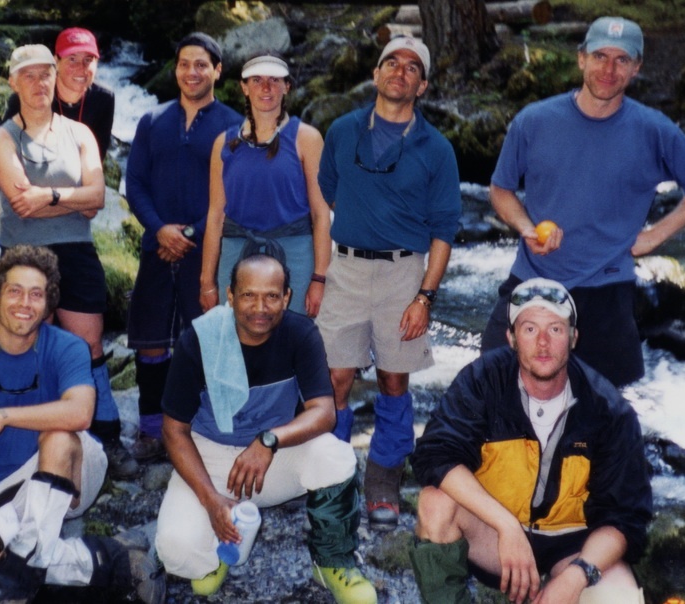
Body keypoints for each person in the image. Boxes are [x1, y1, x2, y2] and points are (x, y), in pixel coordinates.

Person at [481, 16, 685, 387]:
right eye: (600, 56)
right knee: (492, 386)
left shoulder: (653, 130)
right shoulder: (534, 121)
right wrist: (526, 227)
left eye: (621, 60)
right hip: (532, 281)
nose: (608, 70)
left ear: (636, 67)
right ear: (581, 58)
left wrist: (654, 236)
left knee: (603, 409)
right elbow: (500, 190)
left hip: (607, 292)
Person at [0, 245, 164, 604]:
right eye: (15, 291)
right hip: (6, 489)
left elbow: (80, 414)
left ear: (48, 304)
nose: (25, 303)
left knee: (56, 436)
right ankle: (113, 559)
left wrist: (2, 416)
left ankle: (16, 582)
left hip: (73, 471)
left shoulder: (68, 347)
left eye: (36, 294)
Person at [409, 278, 652, 604]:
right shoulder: (483, 381)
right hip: (494, 535)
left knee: (620, 598)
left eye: (555, 329)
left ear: (573, 338)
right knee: (434, 503)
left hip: (573, 546)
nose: (543, 342)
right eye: (529, 329)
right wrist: (506, 526)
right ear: (511, 338)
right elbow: (435, 455)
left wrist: (575, 578)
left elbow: (624, 519)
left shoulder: (609, 410)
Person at [155, 253, 376, 604]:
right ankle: (222, 549)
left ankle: (333, 563)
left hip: (272, 458)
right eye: (249, 295)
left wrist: (270, 440)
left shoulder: (301, 334)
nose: (260, 308)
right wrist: (211, 500)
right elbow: (174, 431)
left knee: (334, 456)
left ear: (286, 297)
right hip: (210, 457)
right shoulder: (199, 339)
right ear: (230, 295)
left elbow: (324, 414)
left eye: (272, 296)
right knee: (175, 549)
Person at [315, 36, 462, 531]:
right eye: (391, 62)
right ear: (376, 74)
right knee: (335, 377)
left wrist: (425, 296)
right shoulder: (342, 131)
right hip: (347, 270)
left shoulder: (437, 149)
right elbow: (330, 191)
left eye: (412, 67)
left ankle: (383, 476)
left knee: (393, 379)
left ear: (422, 86)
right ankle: (332, 473)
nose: (400, 71)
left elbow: (444, 229)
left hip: (404, 274)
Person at [0, 44, 137, 479]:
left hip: (76, 250)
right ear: (13, 82)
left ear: (55, 78)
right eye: (28, 76)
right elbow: (20, 201)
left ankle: (105, 432)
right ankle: (30, 439)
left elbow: (98, 197)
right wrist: (72, 199)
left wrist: (48, 195)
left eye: (45, 74)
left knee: (89, 344)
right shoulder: (2, 137)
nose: (39, 84)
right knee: (30, 341)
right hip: (23, 255)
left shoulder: (80, 133)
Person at [124, 32, 240, 463]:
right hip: (156, 246)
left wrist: (189, 233)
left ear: (217, 71)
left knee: (209, 338)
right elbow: (134, 182)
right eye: (184, 64)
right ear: (175, 69)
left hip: (207, 250)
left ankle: (206, 428)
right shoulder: (151, 121)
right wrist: (159, 230)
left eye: (201, 65)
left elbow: (232, 193)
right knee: (151, 340)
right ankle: (152, 429)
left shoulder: (232, 125)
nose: (192, 72)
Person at [199, 52, 330, 317]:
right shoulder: (224, 143)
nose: (266, 87)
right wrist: (207, 280)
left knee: (293, 333)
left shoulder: (307, 139)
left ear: (287, 86)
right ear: (244, 87)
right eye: (257, 80)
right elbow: (215, 215)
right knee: (236, 333)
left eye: (274, 80)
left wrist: (319, 277)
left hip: (295, 253)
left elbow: (321, 214)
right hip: (236, 253)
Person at [1, 27, 115, 162]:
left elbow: (98, 155)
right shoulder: (32, 94)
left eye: (88, 59)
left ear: (96, 63)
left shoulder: (104, 99)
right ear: (56, 62)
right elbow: (5, 146)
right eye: (72, 59)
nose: (81, 67)